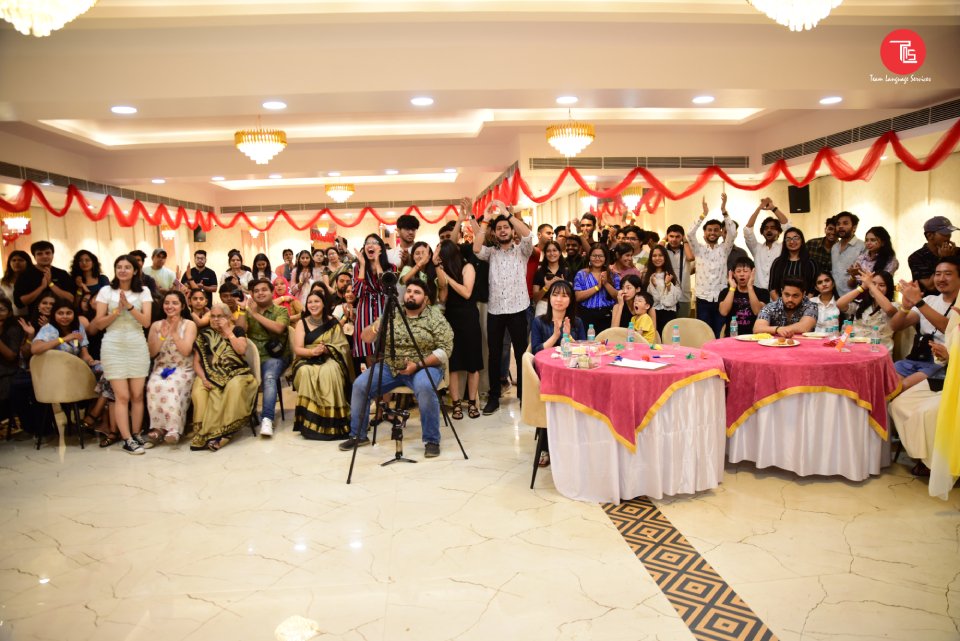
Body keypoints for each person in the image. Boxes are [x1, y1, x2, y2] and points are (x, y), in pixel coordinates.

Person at [339, 279, 453, 457]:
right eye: (409, 291)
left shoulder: (434, 316)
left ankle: (431, 440)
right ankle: (358, 435)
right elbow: (365, 338)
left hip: (424, 366)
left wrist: (418, 365)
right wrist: (376, 326)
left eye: (417, 292)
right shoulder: (392, 312)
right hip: (391, 366)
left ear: (426, 299)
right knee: (360, 385)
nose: (411, 294)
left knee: (424, 387)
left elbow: (445, 349)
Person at [471, 207, 533, 415]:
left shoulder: (522, 250)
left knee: (521, 353)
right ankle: (494, 397)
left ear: (512, 230)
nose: (503, 230)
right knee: (494, 354)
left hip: (518, 308)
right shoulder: (491, 253)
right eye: (499, 229)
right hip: (496, 309)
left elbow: (528, 234)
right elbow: (476, 248)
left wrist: (508, 215)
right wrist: (487, 221)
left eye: (506, 227)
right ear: (495, 233)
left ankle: (525, 395)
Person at [93, 255, 153, 454]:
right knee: (122, 396)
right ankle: (126, 439)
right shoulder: (105, 291)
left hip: (137, 345)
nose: (123, 270)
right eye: (119, 267)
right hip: (113, 346)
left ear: (135, 270)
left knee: (137, 395)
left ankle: (136, 434)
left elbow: (146, 322)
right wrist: (117, 312)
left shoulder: (143, 291)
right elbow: (98, 324)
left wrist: (129, 307)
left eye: (127, 267)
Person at [190, 304, 259, 451]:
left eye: (219, 316)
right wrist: (203, 378)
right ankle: (204, 432)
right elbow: (196, 363)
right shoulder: (205, 335)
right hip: (211, 374)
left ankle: (224, 433)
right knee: (198, 389)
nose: (215, 320)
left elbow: (241, 349)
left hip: (237, 373)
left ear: (228, 318)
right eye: (212, 316)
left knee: (233, 387)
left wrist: (228, 331)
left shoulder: (236, 330)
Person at [291, 290, 354, 440]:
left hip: (329, 357)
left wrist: (327, 349)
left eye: (316, 301)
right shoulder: (302, 322)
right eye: (310, 302)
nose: (313, 305)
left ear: (324, 303)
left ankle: (332, 422)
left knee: (330, 371)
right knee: (306, 372)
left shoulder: (332, 322)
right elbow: (298, 348)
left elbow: (343, 346)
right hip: (306, 358)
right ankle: (309, 424)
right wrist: (313, 352)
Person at [889, 257, 959, 390]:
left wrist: (918, 301)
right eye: (938, 274)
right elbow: (895, 326)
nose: (941, 278)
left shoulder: (956, 305)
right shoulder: (930, 299)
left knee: (901, 387)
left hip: (941, 363)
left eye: (948, 274)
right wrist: (905, 307)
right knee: (885, 381)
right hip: (917, 357)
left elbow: (949, 328)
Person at [436, 239, 482, 420]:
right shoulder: (443, 270)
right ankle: (455, 404)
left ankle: (471, 403)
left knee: (473, 364)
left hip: (469, 316)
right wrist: (440, 271)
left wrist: (448, 278)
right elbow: (443, 298)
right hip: (451, 318)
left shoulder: (467, 267)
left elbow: (467, 292)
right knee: (453, 364)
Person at [144, 290, 197, 447]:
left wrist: (174, 333)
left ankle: (174, 429)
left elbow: (187, 351)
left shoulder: (189, 324)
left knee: (171, 385)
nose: (170, 306)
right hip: (162, 367)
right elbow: (152, 353)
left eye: (174, 303)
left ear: (182, 306)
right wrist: (162, 336)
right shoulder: (156, 325)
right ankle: (158, 428)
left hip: (183, 368)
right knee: (154, 385)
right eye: (167, 303)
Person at [243, 279, 291, 437]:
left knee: (269, 377)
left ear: (272, 292)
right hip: (252, 357)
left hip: (275, 356)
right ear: (252, 294)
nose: (260, 293)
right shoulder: (249, 310)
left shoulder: (280, 311)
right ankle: (242, 416)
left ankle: (267, 419)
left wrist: (254, 314)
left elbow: (279, 328)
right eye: (256, 291)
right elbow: (240, 329)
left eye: (264, 289)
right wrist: (243, 311)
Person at [687, 195, 737, 338]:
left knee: (720, 331)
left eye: (716, 230)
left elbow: (732, 232)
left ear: (721, 232)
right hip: (703, 298)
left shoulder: (724, 249)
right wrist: (703, 214)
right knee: (704, 333)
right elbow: (690, 233)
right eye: (709, 230)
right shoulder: (699, 249)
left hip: (721, 296)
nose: (713, 232)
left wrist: (724, 210)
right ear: (705, 232)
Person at [352, 234, 396, 365]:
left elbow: (386, 288)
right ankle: (373, 382)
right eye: (367, 243)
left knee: (386, 348)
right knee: (368, 350)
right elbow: (357, 292)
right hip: (365, 310)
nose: (370, 245)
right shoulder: (358, 268)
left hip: (384, 308)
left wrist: (377, 263)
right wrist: (363, 265)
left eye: (374, 242)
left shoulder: (391, 267)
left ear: (381, 248)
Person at [836, 270, 899, 351]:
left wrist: (870, 285)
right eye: (874, 284)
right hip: (855, 347)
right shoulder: (861, 304)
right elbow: (839, 304)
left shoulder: (894, 305)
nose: (876, 288)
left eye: (881, 285)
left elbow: (889, 309)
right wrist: (862, 287)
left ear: (889, 287)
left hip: (879, 350)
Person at [744, 196, 791, 302]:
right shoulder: (756, 248)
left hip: (779, 294)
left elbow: (789, 228)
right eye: (766, 228)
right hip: (758, 295)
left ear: (779, 232)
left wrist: (773, 208)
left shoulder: (783, 248)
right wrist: (759, 208)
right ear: (762, 232)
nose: (769, 230)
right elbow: (747, 231)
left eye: (773, 228)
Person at [13, 240, 74, 313]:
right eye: (39, 254)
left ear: (52, 254)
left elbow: (71, 299)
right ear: (34, 256)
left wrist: (50, 284)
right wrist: (41, 287)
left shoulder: (62, 274)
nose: (44, 256)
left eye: (47, 253)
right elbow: (19, 303)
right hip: (35, 318)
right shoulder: (25, 275)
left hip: (61, 317)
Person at [573, 243, 621, 335]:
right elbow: (577, 297)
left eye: (600, 256)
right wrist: (597, 287)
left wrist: (606, 283)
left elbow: (617, 297)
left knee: (605, 345)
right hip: (586, 314)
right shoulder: (581, 274)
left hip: (607, 314)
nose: (597, 258)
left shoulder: (613, 275)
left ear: (605, 258)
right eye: (594, 256)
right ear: (589, 257)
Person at [530, 280, 586, 354]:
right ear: (549, 298)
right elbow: (535, 352)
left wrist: (569, 337)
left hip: (569, 364)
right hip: (546, 363)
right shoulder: (538, 322)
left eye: (564, 296)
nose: (559, 299)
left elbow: (583, 350)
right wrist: (555, 336)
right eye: (555, 295)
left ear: (570, 300)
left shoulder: (577, 322)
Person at [908, 216, 958, 296]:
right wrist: (944, 259)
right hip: (929, 304)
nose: (948, 237)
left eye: (950, 233)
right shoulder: (916, 257)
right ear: (929, 236)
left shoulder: (957, 252)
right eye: (945, 233)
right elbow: (930, 286)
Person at [752, 278, 818, 337]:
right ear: (781, 291)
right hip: (775, 346)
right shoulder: (770, 307)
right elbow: (757, 328)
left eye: (795, 296)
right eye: (787, 294)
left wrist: (781, 330)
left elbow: (804, 327)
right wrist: (777, 329)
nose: (790, 299)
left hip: (804, 346)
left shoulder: (811, 306)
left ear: (803, 294)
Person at [719, 257, 763, 336]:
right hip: (732, 337)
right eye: (738, 271)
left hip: (754, 337)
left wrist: (750, 287)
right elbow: (723, 312)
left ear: (752, 272)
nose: (742, 274)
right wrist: (732, 288)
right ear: (734, 274)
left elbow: (757, 312)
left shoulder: (762, 292)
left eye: (745, 271)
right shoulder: (725, 292)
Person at [642, 245, 680, 336]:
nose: (657, 258)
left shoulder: (672, 276)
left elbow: (671, 301)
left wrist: (668, 285)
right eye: (654, 256)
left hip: (669, 314)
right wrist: (653, 285)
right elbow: (652, 300)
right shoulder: (646, 276)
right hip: (652, 314)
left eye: (660, 255)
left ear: (665, 257)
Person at [768, 228, 817, 298]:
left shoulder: (811, 262)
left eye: (795, 238)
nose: (792, 242)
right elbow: (772, 287)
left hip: (806, 305)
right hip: (781, 305)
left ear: (802, 241)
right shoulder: (777, 262)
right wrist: (781, 306)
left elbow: (813, 288)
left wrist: (803, 307)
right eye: (788, 239)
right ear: (784, 243)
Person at [663, 224, 695, 319]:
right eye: (671, 236)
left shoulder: (686, 250)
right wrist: (664, 239)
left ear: (682, 237)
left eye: (677, 237)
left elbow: (690, 257)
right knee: (666, 326)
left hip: (683, 295)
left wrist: (685, 240)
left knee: (682, 325)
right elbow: (656, 250)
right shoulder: (663, 251)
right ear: (667, 237)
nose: (674, 239)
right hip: (666, 294)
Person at [531, 240, 569, 316]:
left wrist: (564, 285)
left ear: (560, 253)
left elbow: (573, 296)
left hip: (562, 306)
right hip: (543, 306)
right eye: (548, 251)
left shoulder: (567, 271)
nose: (552, 253)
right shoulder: (539, 272)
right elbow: (535, 299)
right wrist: (546, 287)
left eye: (554, 250)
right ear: (545, 254)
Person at [831, 211, 864, 296]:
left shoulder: (862, 246)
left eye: (845, 223)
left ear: (854, 228)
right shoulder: (834, 247)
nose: (840, 226)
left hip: (855, 297)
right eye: (838, 224)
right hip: (836, 297)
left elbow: (863, 274)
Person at [1, 250, 30, 317]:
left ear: (27, 262)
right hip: (10, 316)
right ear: (9, 263)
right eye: (13, 260)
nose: (17, 263)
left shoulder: (32, 279)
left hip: (31, 315)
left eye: (21, 260)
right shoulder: (3, 282)